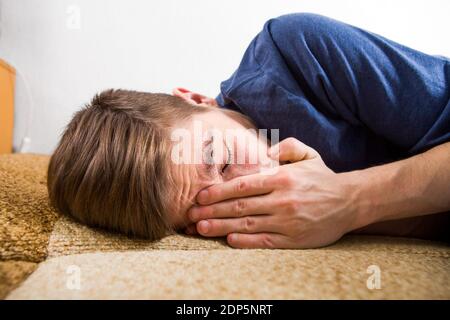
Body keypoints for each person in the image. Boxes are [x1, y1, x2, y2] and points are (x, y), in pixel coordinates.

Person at [48, 13, 450, 248]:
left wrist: (352, 200)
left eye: (218, 161)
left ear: (197, 98)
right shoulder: (250, 229)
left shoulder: (296, 53)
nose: (246, 188)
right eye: (205, 208)